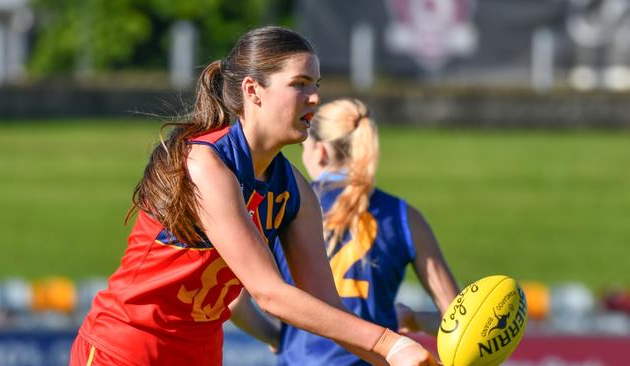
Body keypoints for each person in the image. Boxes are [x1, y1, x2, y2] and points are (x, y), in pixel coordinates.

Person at [68, 26, 438, 366]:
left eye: (317, 85)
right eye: (300, 84)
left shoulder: (295, 190)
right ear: (252, 91)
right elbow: (268, 293)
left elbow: (327, 308)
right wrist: (390, 344)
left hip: (200, 354)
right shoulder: (204, 162)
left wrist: (394, 358)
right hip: (126, 348)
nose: (314, 98)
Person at [229, 98, 460, 365]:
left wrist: (278, 339)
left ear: (321, 152)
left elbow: (235, 302)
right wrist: (414, 319)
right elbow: (459, 322)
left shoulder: (284, 204)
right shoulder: (404, 217)